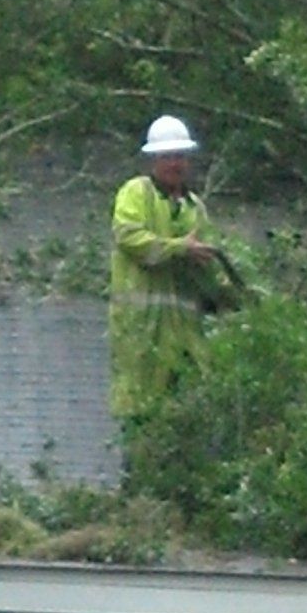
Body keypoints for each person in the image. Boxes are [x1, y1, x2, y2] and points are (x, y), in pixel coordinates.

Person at [108, 114, 245, 420]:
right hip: (142, 330)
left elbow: (206, 267)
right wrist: (180, 248)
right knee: (141, 410)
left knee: (187, 411)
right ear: (154, 159)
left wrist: (231, 298)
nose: (176, 163)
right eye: (168, 156)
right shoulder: (137, 193)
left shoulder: (194, 207)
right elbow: (130, 237)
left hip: (184, 333)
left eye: (180, 156)